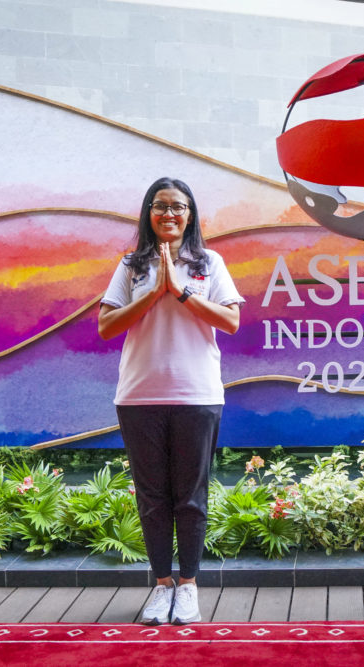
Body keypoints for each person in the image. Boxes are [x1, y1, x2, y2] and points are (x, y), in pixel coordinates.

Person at [99, 177, 244, 625]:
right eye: (159, 206)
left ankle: (189, 586)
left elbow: (232, 320)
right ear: (148, 213)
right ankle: (162, 586)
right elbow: (106, 326)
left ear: (190, 214)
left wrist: (179, 290)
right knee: (153, 498)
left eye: (177, 207)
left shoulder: (208, 262)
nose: (169, 214)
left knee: (191, 498)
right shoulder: (130, 266)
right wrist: (153, 290)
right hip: (140, 395)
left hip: (196, 394)